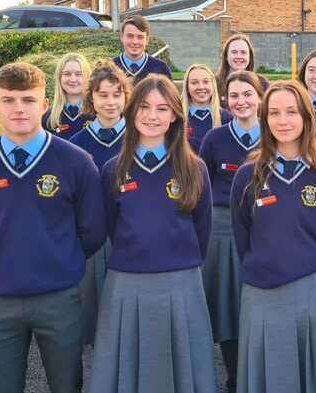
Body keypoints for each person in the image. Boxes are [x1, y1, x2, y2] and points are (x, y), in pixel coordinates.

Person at [0, 62, 106, 393]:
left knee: (67, 384)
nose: (18, 108)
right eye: (8, 100)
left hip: (59, 297)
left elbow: (92, 229)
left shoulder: (76, 161)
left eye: (28, 99)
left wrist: (61, 261)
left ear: (45, 104)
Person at [90, 74, 216, 393]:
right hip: (127, 281)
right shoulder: (113, 169)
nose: (152, 115)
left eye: (162, 108)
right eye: (144, 107)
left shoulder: (194, 167)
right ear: (131, 111)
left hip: (181, 280)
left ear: (174, 114)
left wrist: (179, 259)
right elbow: (111, 226)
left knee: (184, 368)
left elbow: (202, 227)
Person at [230, 80, 316, 392]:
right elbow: (242, 237)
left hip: (311, 290)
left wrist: (308, 263)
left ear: (307, 118)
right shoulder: (248, 175)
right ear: (264, 119)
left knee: (315, 373)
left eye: (292, 112)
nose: (283, 121)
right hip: (262, 291)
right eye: (274, 113)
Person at [198, 70, 264, 391]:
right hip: (223, 229)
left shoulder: (277, 134)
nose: (241, 101)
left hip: (268, 225)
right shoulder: (214, 138)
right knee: (228, 305)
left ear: (260, 97)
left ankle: (262, 372)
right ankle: (236, 376)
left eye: (247, 94)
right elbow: (203, 187)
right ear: (225, 99)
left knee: (261, 302)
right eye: (234, 96)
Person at [69, 59, 131, 345]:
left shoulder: (139, 139)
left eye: (116, 94)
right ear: (91, 97)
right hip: (92, 240)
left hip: (130, 239)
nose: (110, 102)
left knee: (127, 322)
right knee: (91, 323)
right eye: (103, 95)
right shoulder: (76, 144)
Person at [42, 52, 94, 140]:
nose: (73, 79)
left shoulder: (99, 114)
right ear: (59, 78)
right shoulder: (47, 118)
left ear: (87, 77)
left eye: (79, 74)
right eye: (67, 74)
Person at [181, 63, 232, 153]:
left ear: (213, 85)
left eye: (206, 82)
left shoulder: (226, 118)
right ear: (187, 88)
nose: (201, 87)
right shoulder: (178, 117)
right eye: (194, 82)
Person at [113, 15, 172, 86]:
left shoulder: (161, 68)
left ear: (147, 40)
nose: (135, 42)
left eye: (140, 37)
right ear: (122, 37)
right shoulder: (111, 68)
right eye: (130, 36)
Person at [216, 34, 270, 109]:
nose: (239, 56)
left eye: (243, 52)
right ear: (226, 56)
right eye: (234, 52)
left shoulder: (262, 83)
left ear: (249, 56)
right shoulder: (214, 84)